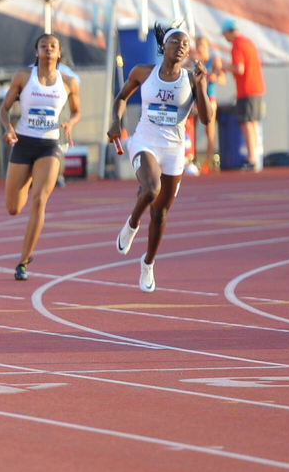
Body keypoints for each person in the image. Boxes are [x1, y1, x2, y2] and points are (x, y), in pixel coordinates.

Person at [108, 25, 209, 293]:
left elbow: (207, 119)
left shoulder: (190, 79)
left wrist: (201, 84)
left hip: (174, 150)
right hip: (144, 141)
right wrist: (116, 122)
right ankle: (132, 224)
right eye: (176, 42)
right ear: (164, 46)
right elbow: (121, 97)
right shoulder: (143, 71)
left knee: (161, 214)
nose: (181, 47)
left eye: (185, 44)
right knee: (151, 188)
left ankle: (148, 263)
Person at [0, 34, 80, 281]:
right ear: (36, 51)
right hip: (24, 142)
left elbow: (77, 111)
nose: (47, 50)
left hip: (51, 144)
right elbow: (4, 109)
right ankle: (27, 181)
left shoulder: (68, 82)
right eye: (43, 46)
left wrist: (69, 124)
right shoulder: (24, 77)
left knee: (39, 201)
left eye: (52, 47)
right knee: (13, 208)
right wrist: (9, 129)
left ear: (58, 53)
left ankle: (23, 261)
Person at [222, 19, 265, 171]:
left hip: (247, 89)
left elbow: (239, 68)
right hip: (256, 87)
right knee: (252, 122)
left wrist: (224, 66)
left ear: (228, 32)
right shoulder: (248, 42)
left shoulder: (237, 45)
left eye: (224, 35)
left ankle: (252, 158)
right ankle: (254, 157)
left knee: (246, 122)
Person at [193, 35, 224, 170]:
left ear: (207, 47)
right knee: (190, 128)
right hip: (196, 99)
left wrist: (215, 77)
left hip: (210, 98)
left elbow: (222, 79)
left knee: (209, 132)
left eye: (202, 46)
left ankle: (208, 161)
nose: (200, 49)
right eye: (198, 46)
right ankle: (192, 159)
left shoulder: (214, 60)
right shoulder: (194, 61)